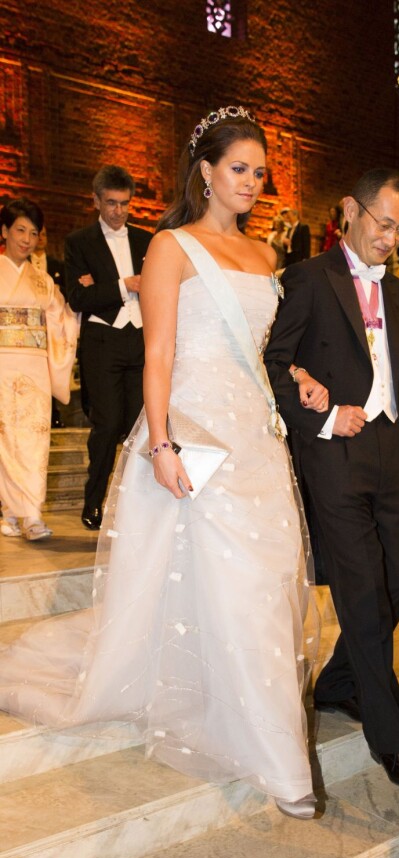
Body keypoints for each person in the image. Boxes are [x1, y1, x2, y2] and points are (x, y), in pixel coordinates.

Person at [0, 107, 320, 821]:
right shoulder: (171, 247)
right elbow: (160, 354)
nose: (251, 182)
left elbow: (266, 352)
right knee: (237, 576)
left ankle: (248, 713)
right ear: (205, 171)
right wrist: (162, 442)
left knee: (265, 581)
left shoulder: (267, 258)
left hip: (257, 435)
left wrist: (298, 376)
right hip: (194, 427)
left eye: (260, 172)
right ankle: (279, 758)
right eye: (239, 168)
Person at [265, 168, 399, 793]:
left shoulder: (397, 291)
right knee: (363, 595)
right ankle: (391, 743)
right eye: (383, 223)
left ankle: (341, 682)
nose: (391, 238)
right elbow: (272, 362)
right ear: (350, 211)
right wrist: (321, 413)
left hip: (391, 452)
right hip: (335, 453)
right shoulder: (309, 279)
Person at [65, 165, 153, 531]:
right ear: (96, 200)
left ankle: (137, 505)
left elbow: (159, 288)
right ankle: (94, 501)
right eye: (112, 203)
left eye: (125, 204)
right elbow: (77, 296)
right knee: (107, 425)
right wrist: (123, 284)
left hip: (141, 340)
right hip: (102, 345)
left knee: (140, 426)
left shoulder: (148, 240)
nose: (119, 211)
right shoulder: (79, 242)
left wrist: (100, 287)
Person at [0, 199, 77, 540]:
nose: (27, 239)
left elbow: (62, 320)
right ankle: (10, 512)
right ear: (4, 231)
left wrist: (77, 306)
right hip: (2, 363)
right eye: (20, 230)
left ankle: (30, 514)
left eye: (34, 233)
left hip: (34, 367)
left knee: (33, 439)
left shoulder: (44, 281)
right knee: (6, 440)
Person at [31, 225, 67, 428]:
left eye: (41, 234)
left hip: (49, 329)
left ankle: (52, 413)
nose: (39, 238)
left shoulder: (56, 266)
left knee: (48, 372)